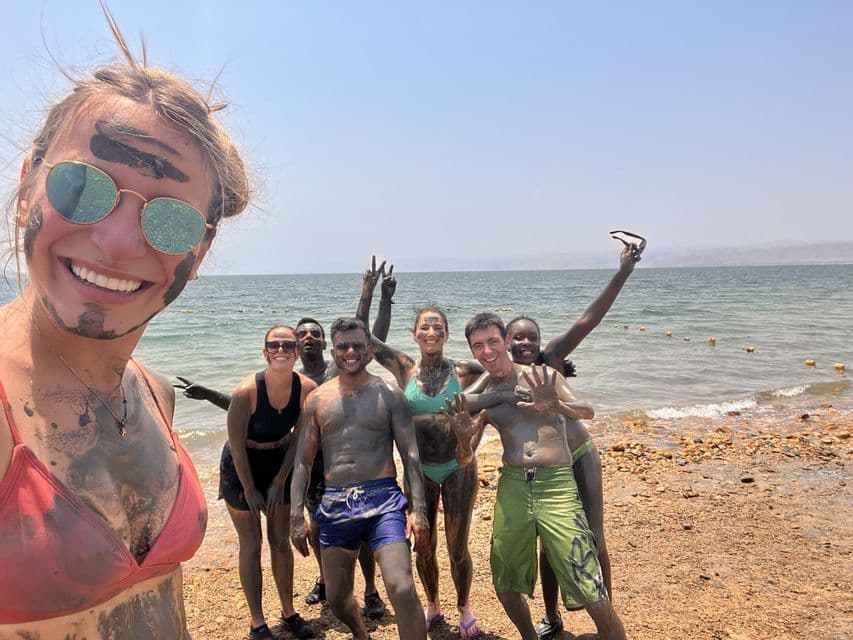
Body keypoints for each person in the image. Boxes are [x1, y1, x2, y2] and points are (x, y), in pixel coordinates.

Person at [0, 11, 249, 638]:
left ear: (201, 246)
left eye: (170, 220)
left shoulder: (155, 396)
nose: (113, 242)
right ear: (29, 183)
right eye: (83, 188)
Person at [175, 258, 396, 617]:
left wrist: (371, 296)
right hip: (306, 464)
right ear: (287, 345)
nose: (307, 338)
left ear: (325, 342)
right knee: (316, 526)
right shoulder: (289, 377)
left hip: (340, 459)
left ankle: (370, 591)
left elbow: (364, 334)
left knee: (358, 526)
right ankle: (326, 581)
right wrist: (209, 394)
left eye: (314, 334)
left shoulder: (332, 371)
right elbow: (247, 410)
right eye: (300, 334)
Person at [448, 313, 627, 640]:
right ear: (473, 352)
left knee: (588, 581)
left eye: (492, 342)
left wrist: (557, 405)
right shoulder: (485, 396)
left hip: (555, 484)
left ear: (504, 341)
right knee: (505, 581)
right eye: (478, 346)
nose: (487, 351)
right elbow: (463, 459)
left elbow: (587, 410)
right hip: (513, 485)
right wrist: (462, 437)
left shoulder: (541, 376)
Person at [504, 241, 642, 639]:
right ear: (506, 342)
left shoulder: (550, 360)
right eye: (518, 338)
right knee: (548, 542)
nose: (526, 343)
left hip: (578, 454)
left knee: (594, 537)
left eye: (532, 337)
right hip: (543, 468)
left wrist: (623, 272)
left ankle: (608, 619)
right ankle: (552, 617)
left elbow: (588, 320)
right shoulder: (502, 377)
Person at [371, 305, 508, 639]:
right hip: (419, 472)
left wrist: (550, 365)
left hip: (457, 468)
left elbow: (503, 366)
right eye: (424, 327)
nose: (431, 332)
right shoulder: (404, 367)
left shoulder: (465, 371)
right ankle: (433, 603)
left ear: (446, 334)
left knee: (458, 548)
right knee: (424, 545)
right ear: (415, 334)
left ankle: (464, 608)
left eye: (437, 327)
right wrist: (380, 298)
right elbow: (368, 341)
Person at [290, 317, 429, 640]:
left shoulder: (390, 394)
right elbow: (302, 463)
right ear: (334, 350)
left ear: (369, 350)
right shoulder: (317, 400)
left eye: (357, 346)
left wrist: (418, 508)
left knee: (402, 586)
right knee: (338, 599)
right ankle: (361, 634)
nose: (350, 351)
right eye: (343, 346)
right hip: (336, 503)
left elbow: (410, 455)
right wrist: (297, 515)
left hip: (383, 500)